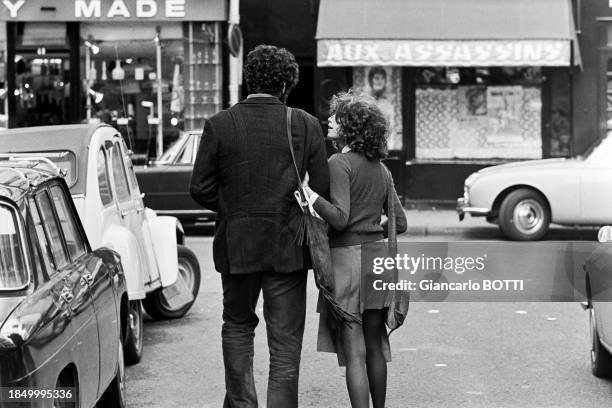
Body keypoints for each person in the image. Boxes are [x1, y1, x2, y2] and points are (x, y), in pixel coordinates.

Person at [189, 44, 330, 408]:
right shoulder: (305, 124)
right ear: (287, 84)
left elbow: (200, 188)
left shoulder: (220, 124)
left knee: (237, 326)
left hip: (237, 247)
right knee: (285, 345)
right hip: (289, 249)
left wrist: (234, 210)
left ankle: (241, 404)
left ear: (248, 79)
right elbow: (323, 189)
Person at [303, 91, 407, 408]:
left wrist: (309, 194)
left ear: (350, 127)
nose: (329, 121)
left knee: (354, 352)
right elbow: (399, 223)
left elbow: (340, 217)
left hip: (346, 262)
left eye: (336, 118)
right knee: (375, 344)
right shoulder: (382, 170)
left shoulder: (339, 163)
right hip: (377, 260)